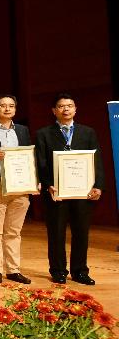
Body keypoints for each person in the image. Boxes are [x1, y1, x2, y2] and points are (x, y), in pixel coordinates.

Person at [35, 93, 105, 285]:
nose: (66, 109)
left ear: (75, 109)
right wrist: (49, 184)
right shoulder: (44, 133)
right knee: (56, 232)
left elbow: (96, 160)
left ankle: (80, 271)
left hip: (82, 191)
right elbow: (41, 163)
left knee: (81, 232)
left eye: (69, 106)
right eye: (61, 106)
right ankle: (58, 271)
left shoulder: (87, 132)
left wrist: (98, 185)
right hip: (56, 192)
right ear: (54, 111)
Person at [0, 95, 34, 285]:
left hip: (21, 186)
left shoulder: (23, 130)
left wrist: (35, 181)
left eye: (11, 106)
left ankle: (13, 269)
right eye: (3, 106)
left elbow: (30, 157)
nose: (7, 109)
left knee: (14, 231)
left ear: (15, 110)